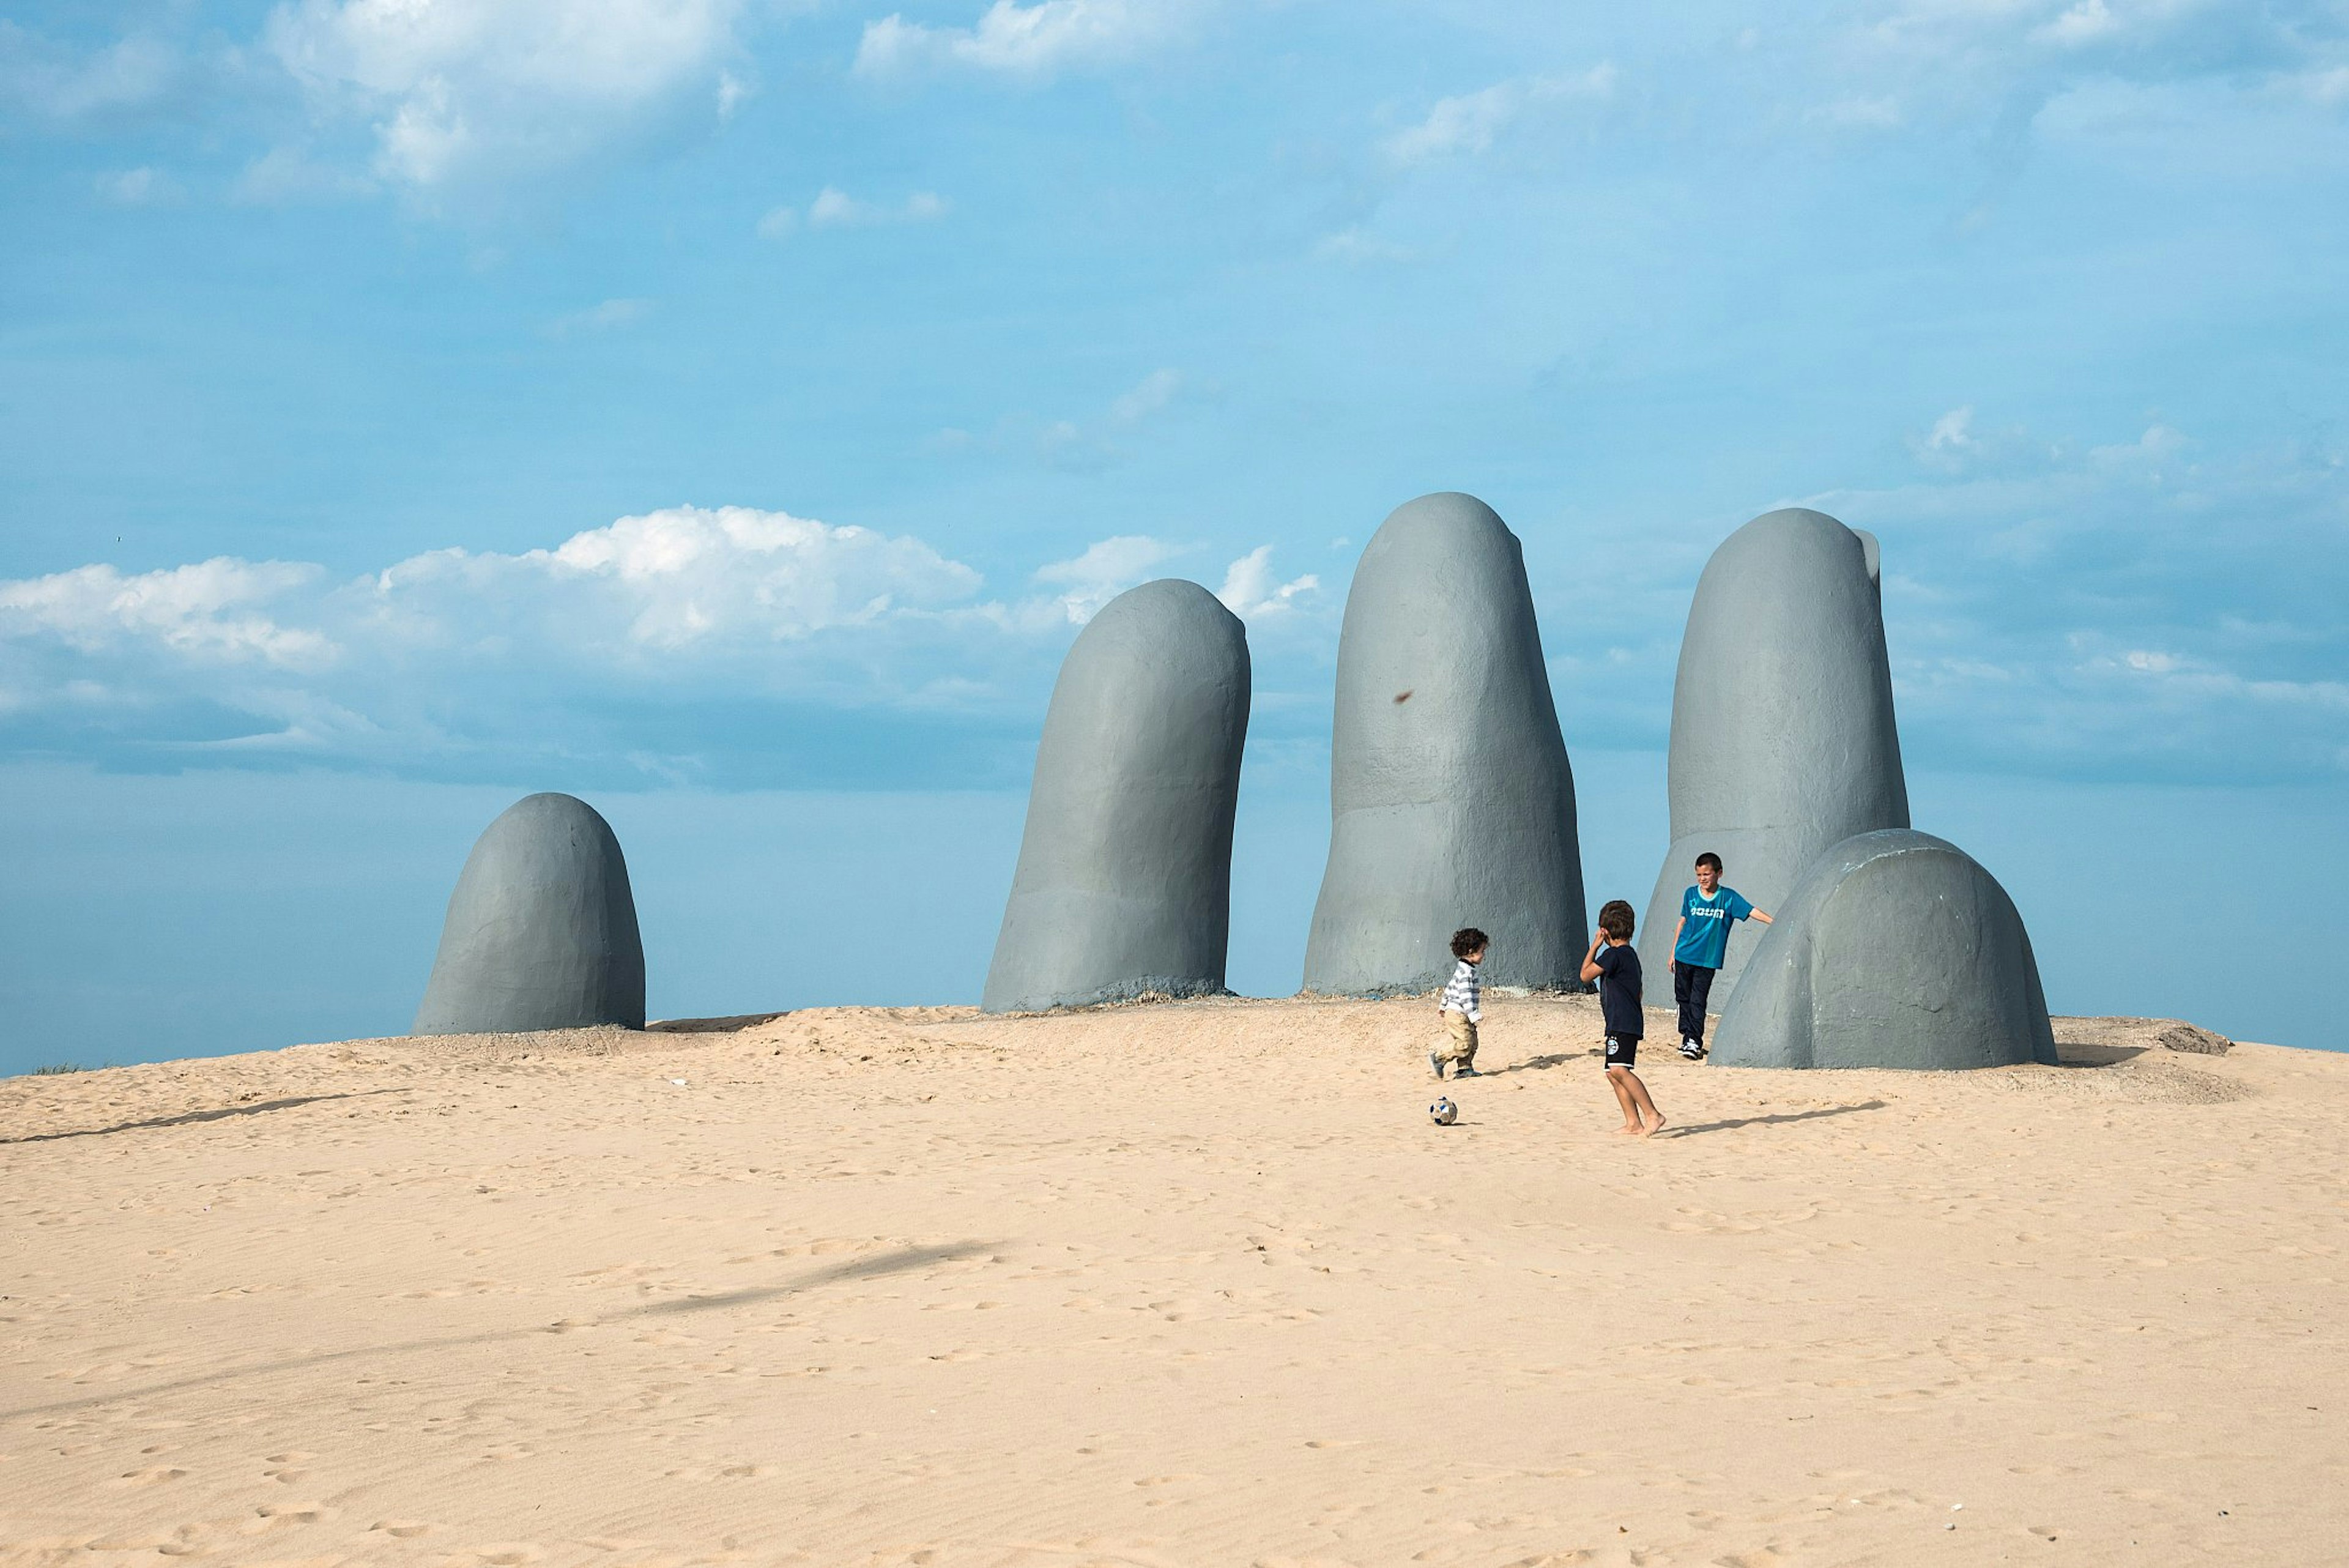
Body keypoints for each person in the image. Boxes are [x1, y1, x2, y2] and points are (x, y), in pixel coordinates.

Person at [1668, 851, 1772, 1060]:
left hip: (1707, 960)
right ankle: (1687, 1036)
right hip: (1683, 955)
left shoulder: (1728, 898)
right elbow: (1682, 922)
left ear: (1719, 873)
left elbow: (1751, 911)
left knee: (1698, 999)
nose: (1702, 879)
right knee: (1683, 998)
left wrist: (1775, 921)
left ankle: (1694, 1041)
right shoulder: (1690, 894)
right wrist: (1672, 953)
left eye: (1707, 874)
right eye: (1699, 875)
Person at [1583, 899, 1665, 1136]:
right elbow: (1639, 991)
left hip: (1622, 1022)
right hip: (1624, 1021)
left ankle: (1653, 1114)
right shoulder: (1631, 956)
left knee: (1620, 1069)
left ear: (1605, 931)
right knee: (1612, 1071)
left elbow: (1585, 975)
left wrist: (1595, 946)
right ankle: (1633, 1122)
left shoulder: (1613, 955)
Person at [1428, 927, 1486, 1080]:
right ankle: (1439, 1058)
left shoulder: (1463, 970)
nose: (1484, 955)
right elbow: (1465, 995)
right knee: (1465, 1043)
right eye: (1482, 951)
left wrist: (1443, 1005)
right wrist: (1474, 1014)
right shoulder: (1466, 974)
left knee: (1472, 1041)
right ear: (1471, 952)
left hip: (1459, 1012)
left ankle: (1464, 1069)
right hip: (1459, 1013)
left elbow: (1450, 987)